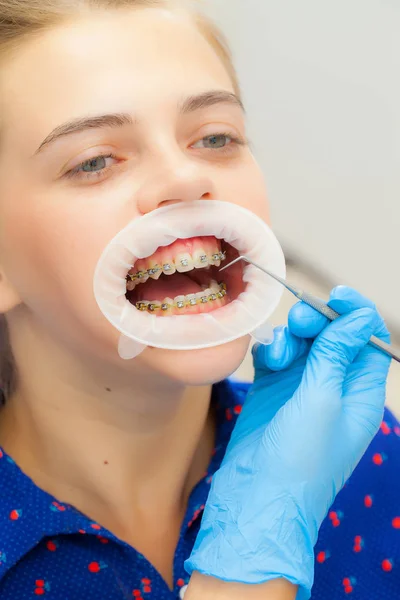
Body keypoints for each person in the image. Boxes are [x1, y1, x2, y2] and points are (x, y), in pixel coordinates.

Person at [0, 1, 398, 598]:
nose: (187, 178)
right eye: (94, 161)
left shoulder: (363, 460)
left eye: (215, 136)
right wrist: (246, 569)